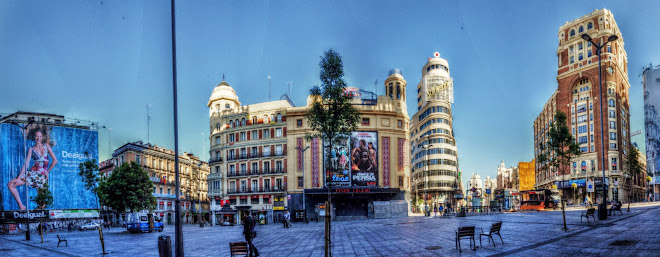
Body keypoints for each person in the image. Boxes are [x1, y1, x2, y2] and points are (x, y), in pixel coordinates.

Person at [7, 126, 58, 210]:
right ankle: (21, 206)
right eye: (37, 136)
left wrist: (47, 171)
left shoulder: (46, 146)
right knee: (11, 184)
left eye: (40, 136)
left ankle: (39, 217)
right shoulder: (31, 149)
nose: (39, 138)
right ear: (34, 137)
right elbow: (26, 164)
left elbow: (55, 160)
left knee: (42, 204)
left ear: (42, 137)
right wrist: (19, 178)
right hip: (32, 174)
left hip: (42, 177)